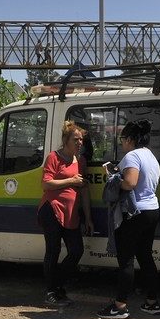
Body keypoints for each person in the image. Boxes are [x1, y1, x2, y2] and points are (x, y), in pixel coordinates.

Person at [98, 119, 160, 319]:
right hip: (152, 209)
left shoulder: (132, 156)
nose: (122, 143)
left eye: (123, 139)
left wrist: (112, 176)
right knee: (146, 257)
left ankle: (120, 306)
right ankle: (152, 302)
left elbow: (130, 183)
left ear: (131, 139)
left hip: (134, 213)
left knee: (125, 260)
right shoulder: (150, 155)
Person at [38, 120, 91, 307]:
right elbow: (46, 184)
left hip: (71, 213)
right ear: (65, 140)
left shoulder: (81, 161)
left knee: (77, 251)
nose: (79, 143)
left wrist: (89, 217)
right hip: (51, 209)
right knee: (53, 250)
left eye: (81, 140)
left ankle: (58, 286)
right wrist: (70, 180)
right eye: (75, 139)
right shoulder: (54, 157)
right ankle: (51, 292)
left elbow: (83, 189)